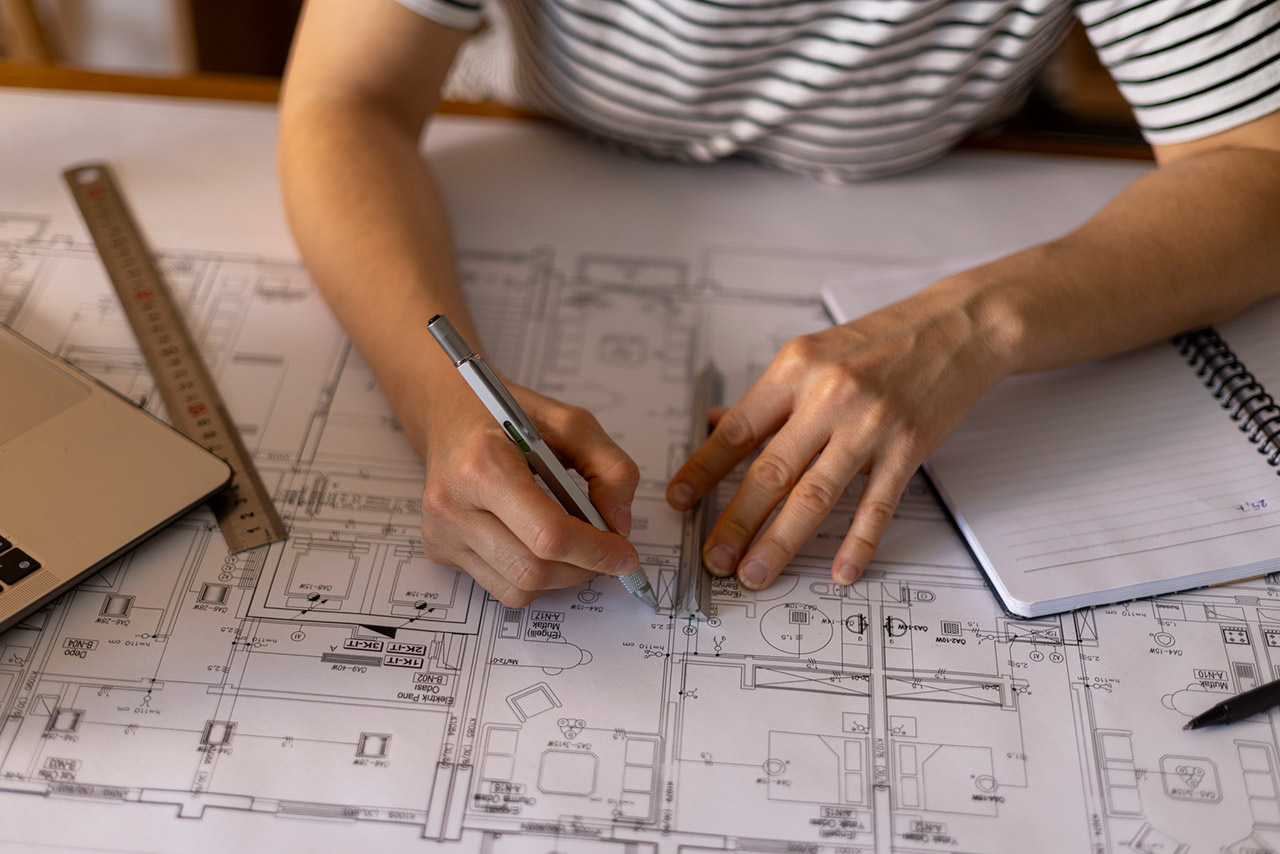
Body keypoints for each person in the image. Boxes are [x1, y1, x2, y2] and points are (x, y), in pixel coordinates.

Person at [277, 0, 1280, 607]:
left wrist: (976, 322)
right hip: (545, 161)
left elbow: (1257, 159)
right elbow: (345, 100)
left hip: (933, 192)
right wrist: (438, 397)